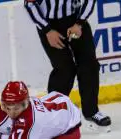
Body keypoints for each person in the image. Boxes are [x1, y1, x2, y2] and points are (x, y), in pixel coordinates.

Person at [24, 0, 110, 129]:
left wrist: (80, 23)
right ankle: (52, 114)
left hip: (75, 21)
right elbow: (29, 4)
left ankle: (91, 111)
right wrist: (47, 30)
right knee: (64, 69)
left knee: (89, 64)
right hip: (49, 25)